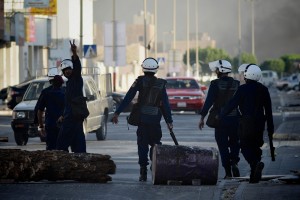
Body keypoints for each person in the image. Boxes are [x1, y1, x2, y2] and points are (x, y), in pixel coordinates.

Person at [112, 57, 173, 182]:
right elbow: (165, 104)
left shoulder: (139, 81)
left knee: (142, 145)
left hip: (142, 120)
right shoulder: (161, 84)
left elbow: (128, 97)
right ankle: (154, 164)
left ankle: (143, 171)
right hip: (155, 120)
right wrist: (169, 121)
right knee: (156, 144)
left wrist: (117, 112)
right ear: (156, 69)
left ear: (143, 68)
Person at [220, 63, 274, 183]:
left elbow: (232, 104)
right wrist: (271, 129)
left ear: (247, 76)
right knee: (256, 146)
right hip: (260, 123)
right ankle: (254, 173)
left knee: (244, 146)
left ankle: (254, 164)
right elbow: (269, 111)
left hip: (246, 123)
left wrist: (221, 115)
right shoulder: (264, 90)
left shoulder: (242, 89)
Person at [199, 59, 241, 179]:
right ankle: (234, 162)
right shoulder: (237, 84)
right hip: (234, 119)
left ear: (220, 71)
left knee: (222, 146)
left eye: (217, 69)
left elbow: (208, 102)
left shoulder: (214, 84)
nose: (215, 71)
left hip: (220, 119)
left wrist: (202, 117)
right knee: (235, 143)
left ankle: (228, 172)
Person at [56, 40, 87, 153]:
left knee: (61, 145)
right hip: (71, 117)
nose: (67, 72)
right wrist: (63, 115)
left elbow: (78, 67)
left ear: (72, 70)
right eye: (65, 71)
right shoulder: (68, 84)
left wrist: (74, 53)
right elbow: (68, 103)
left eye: (68, 69)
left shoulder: (76, 79)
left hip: (73, 117)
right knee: (78, 143)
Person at [37, 73, 65, 150]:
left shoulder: (46, 93)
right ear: (61, 84)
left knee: (50, 148)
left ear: (52, 83)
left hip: (50, 124)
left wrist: (41, 126)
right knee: (62, 148)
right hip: (62, 124)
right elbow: (68, 110)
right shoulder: (64, 93)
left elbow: (40, 111)